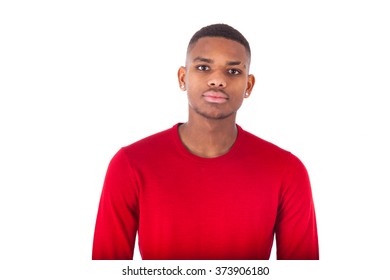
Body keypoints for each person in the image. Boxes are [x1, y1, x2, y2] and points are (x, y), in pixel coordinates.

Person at [92, 23, 319, 260]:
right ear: (183, 78)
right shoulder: (130, 165)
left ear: (248, 86)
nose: (217, 80)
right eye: (203, 67)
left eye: (232, 71)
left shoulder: (287, 171)